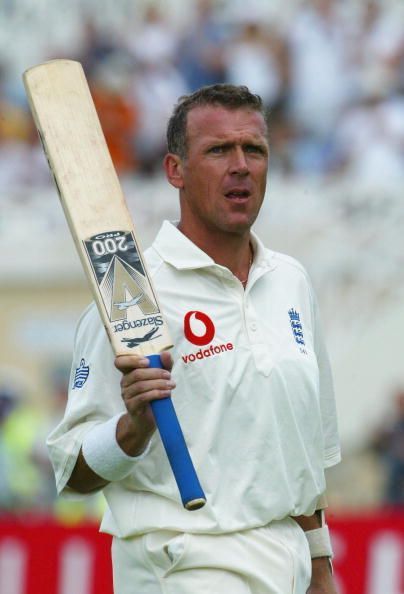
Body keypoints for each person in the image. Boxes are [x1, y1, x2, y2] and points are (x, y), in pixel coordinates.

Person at [47, 84, 341, 594]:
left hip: (285, 562)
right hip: (182, 562)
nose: (241, 165)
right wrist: (132, 431)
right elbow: (71, 469)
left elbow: (304, 457)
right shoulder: (130, 289)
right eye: (218, 150)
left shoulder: (291, 280)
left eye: (254, 150)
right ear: (175, 170)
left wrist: (319, 569)